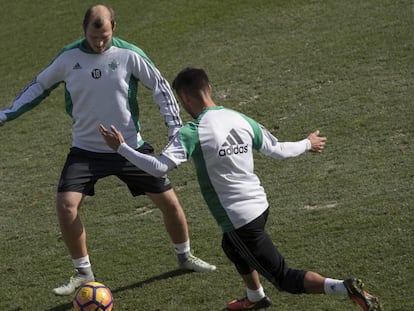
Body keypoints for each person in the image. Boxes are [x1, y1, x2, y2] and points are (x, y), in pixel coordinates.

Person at [100, 67, 383, 311]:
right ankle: (255, 296)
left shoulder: (193, 131)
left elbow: (159, 167)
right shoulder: (239, 118)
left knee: (284, 277)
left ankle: (344, 288)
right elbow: (278, 150)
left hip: (240, 220)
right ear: (208, 88)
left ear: (184, 98)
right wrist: (308, 142)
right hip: (259, 206)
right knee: (231, 247)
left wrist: (122, 148)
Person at [0, 6, 216, 296]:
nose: (99, 43)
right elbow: (38, 87)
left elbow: (161, 87)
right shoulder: (68, 58)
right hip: (86, 150)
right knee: (66, 205)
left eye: (104, 37)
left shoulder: (130, 55)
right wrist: (5, 114)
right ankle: (83, 273)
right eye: (93, 37)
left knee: (169, 202)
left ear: (113, 27)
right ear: (84, 29)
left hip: (129, 148)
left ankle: (184, 256)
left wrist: (174, 129)